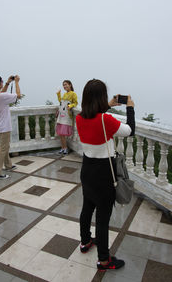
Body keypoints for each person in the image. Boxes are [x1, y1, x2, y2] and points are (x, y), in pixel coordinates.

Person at [76, 79, 135, 271]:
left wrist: (108, 106)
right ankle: (104, 260)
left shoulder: (79, 117)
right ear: (101, 97)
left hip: (87, 169)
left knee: (87, 208)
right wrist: (130, 108)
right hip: (103, 173)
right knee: (102, 218)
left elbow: (96, 117)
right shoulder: (106, 120)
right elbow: (129, 131)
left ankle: (85, 242)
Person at [0, 75, 21, 180]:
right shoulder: (1, 97)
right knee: (3, 148)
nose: (2, 83)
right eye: (1, 81)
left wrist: (7, 83)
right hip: (4, 126)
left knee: (4, 146)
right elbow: (18, 95)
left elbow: (2, 94)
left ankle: (8, 165)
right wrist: (16, 82)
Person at [56, 80, 78, 154]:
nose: (64, 86)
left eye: (66, 85)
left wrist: (70, 105)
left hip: (67, 116)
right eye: (63, 85)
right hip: (61, 115)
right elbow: (61, 101)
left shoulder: (73, 94)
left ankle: (65, 148)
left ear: (70, 85)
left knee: (63, 133)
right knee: (60, 133)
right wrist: (58, 94)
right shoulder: (65, 94)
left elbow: (75, 103)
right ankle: (63, 147)